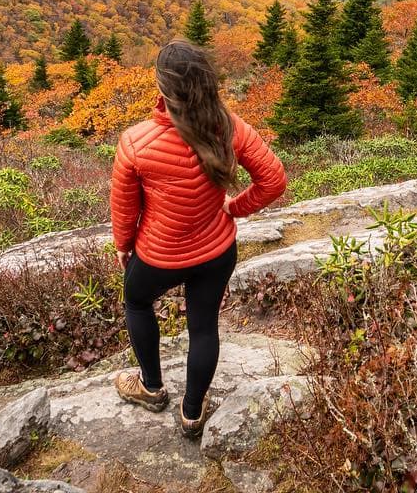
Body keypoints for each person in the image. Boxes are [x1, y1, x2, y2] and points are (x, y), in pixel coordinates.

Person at [110, 39, 287, 438]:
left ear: (162, 89)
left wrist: (124, 245)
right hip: (216, 251)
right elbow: (274, 180)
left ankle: (151, 388)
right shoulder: (229, 126)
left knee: (137, 301)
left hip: (159, 255)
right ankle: (192, 414)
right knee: (203, 327)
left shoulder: (135, 143)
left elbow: (124, 208)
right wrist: (233, 208)